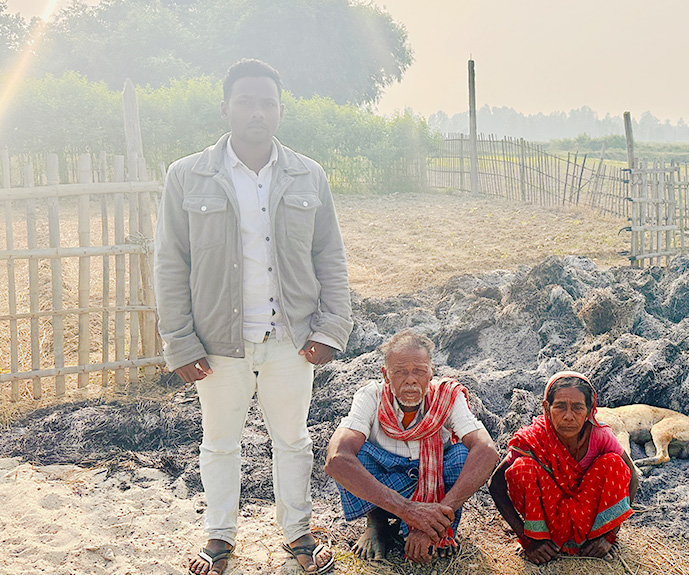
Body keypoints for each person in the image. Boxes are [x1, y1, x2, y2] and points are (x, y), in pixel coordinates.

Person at [155, 59, 352, 575]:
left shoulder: (309, 175)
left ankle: (298, 536)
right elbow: (171, 263)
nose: (256, 112)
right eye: (245, 101)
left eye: (267, 102)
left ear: (281, 111)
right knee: (219, 443)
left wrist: (331, 327)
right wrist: (180, 340)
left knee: (293, 440)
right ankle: (219, 538)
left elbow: (329, 256)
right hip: (218, 342)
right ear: (225, 108)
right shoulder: (187, 175)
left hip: (292, 338)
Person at [325, 329, 498, 564]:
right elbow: (336, 459)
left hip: (437, 489)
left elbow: (487, 450)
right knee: (357, 456)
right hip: (388, 486)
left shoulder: (446, 396)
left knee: (462, 456)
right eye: (400, 372)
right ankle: (377, 524)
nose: (410, 380)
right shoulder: (370, 396)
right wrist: (409, 511)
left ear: (430, 373)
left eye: (419, 371)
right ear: (386, 375)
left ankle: (441, 531)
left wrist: (434, 521)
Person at [489, 371, 640, 564]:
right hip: (548, 525)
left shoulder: (600, 435)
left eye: (577, 407)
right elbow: (496, 484)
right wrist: (527, 541)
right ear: (546, 408)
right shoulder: (534, 437)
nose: (569, 416)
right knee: (521, 467)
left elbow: (632, 478)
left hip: (589, 524)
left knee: (614, 464)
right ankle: (540, 538)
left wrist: (609, 536)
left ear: (589, 410)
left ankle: (594, 538)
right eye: (560, 407)